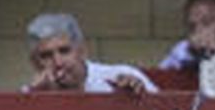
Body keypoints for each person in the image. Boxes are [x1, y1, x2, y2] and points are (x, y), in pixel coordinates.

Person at [25, 13, 157, 95]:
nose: (58, 62)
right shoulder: (30, 93)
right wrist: (38, 99)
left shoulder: (121, 76)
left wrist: (139, 98)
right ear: (35, 64)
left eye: (64, 51)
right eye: (46, 56)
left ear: (82, 51)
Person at [157, 0, 215, 74]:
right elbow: (158, 80)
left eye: (206, 23)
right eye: (192, 26)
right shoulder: (183, 51)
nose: (198, 31)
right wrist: (195, 54)